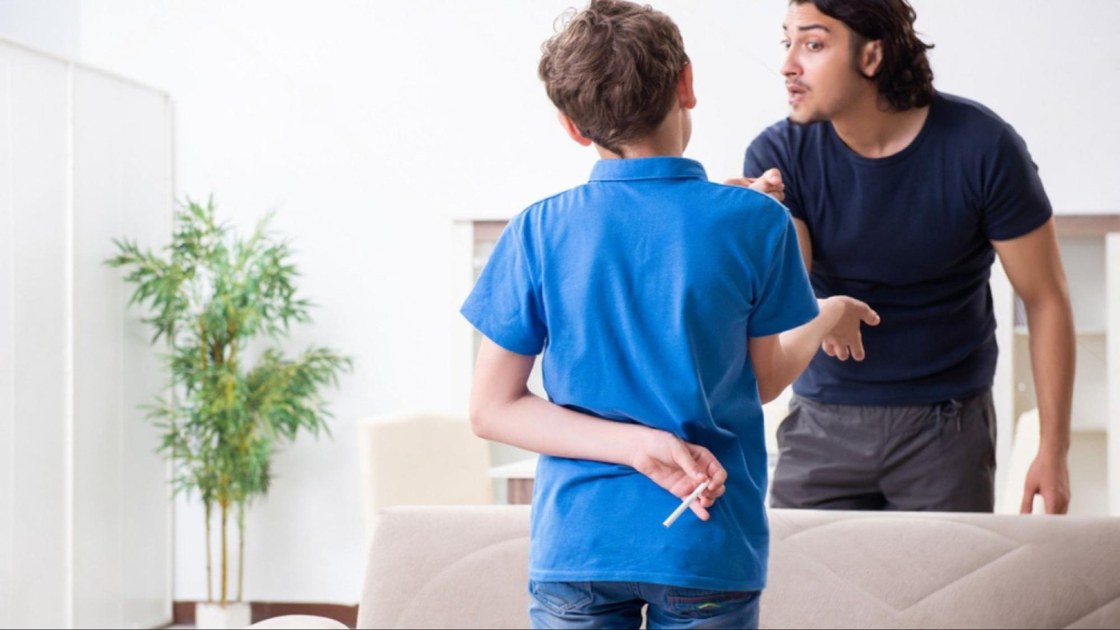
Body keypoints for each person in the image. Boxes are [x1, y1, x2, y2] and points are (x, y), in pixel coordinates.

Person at [460, 1, 876, 627]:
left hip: (579, 547)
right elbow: (760, 381)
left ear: (575, 127)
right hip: (702, 545)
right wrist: (827, 313)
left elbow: (491, 409)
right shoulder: (756, 221)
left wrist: (632, 446)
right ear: (686, 82)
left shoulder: (537, 230)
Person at [739, 0, 1075, 514]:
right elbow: (796, 284)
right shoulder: (778, 155)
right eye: (787, 43)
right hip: (821, 421)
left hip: (946, 429)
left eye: (812, 43)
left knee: (946, 593)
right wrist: (755, 225)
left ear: (871, 57)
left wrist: (1054, 451)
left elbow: (1046, 299)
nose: (788, 64)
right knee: (800, 591)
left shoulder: (984, 147)